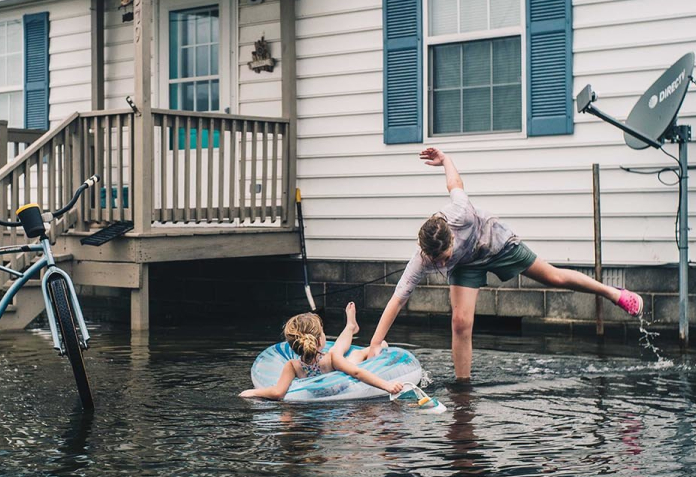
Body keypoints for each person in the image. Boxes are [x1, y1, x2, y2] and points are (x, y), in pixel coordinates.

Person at [367, 148, 644, 385]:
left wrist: (446, 160)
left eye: (445, 256)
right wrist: (376, 342)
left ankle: (614, 294)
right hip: (468, 264)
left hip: (494, 242)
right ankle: (463, 387)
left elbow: (454, 185)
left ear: (451, 237)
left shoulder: (460, 213)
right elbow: (399, 297)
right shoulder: (422, 257)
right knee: (460, 322)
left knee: (554, 277)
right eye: (437, 261)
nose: (441, 264)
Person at [240, 303, 406, 399]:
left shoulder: (292, 366)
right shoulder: (332, 358)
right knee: (355, 354)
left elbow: (277, 392)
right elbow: (356, 372)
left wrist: (253, 392)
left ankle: (351, 326)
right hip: (341, 383)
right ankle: (355, 329)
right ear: (320, 340)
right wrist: (388, 385)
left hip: (334, 379)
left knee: (340, 351)